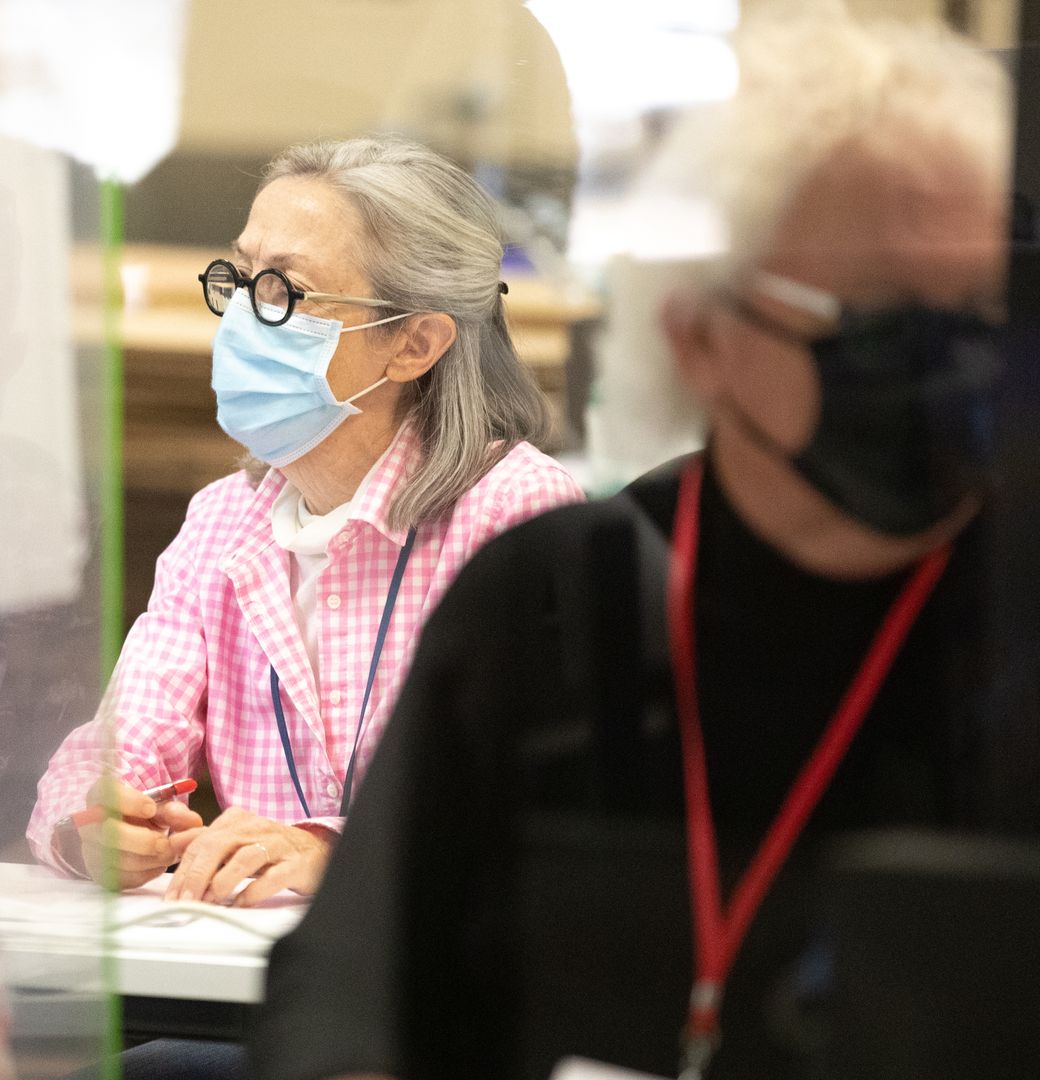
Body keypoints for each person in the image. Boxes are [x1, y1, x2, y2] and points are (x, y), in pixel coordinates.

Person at [254, 13, 1023, 1080]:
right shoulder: (553, 602)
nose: (958, 371)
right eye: (882, 323)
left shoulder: (1015, 624)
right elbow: (348, 989)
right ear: (701, 336)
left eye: (990, 312)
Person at [27, 135, 582, 905]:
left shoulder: (512, 514)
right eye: (242, 275)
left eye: (283, 290)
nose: (243, 320)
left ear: (414, 344)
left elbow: (541, 807)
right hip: (253, 988)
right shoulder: (225, 521)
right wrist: (92, 823)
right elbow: (117, 745)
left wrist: (335, 855)